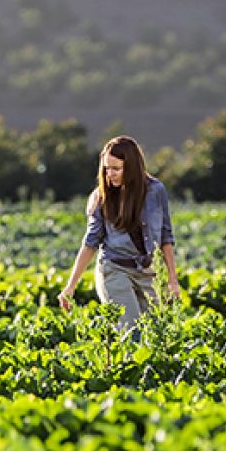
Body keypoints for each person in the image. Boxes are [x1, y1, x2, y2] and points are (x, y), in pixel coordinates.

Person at [57, 135, 180, 335]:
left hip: (147, 272)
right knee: (132, 334)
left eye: (116, 169)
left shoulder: (155, 191)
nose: (109, 174)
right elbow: (90, 243)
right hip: (114, 270)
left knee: (155, 334)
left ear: (131, 168)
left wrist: (172, 280)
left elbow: (166, 235)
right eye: (106, 168)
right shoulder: (101, 197)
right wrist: (70, 286)